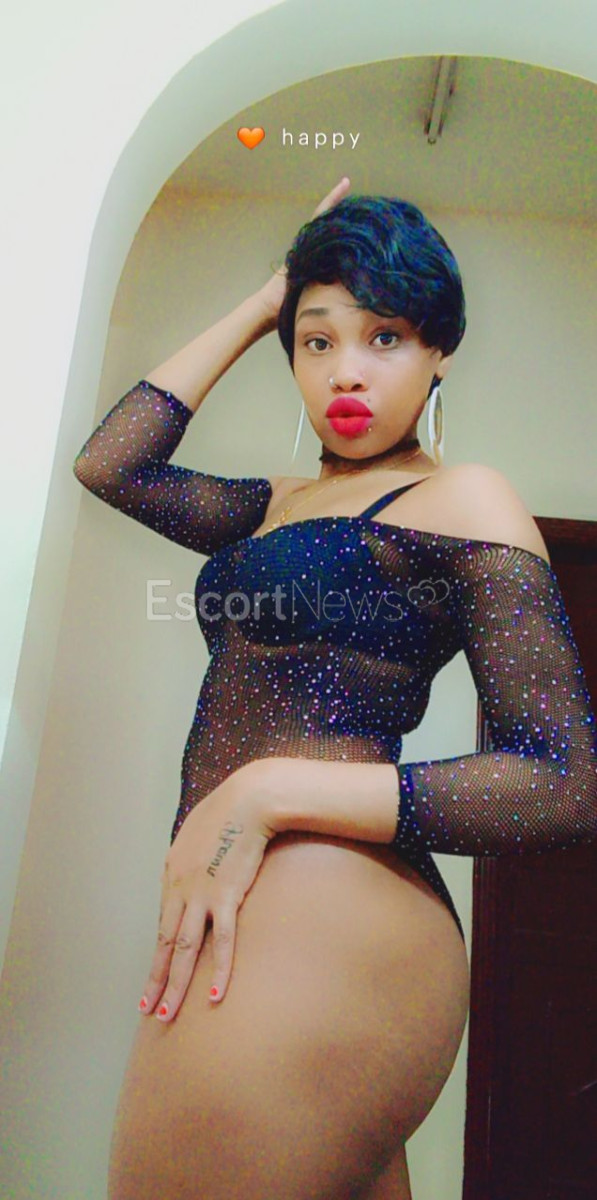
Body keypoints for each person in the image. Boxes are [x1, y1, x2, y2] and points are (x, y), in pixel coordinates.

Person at [72, 178, 597, 1200]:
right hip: (253, 910)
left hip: (331, 914)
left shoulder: (464, 497)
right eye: (317, 342)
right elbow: (110, 465)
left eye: (384, 336)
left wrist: (269, 789)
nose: (345, 369)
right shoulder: (275, 504)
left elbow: (561, 784)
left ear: (441, 349)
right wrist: (266, 301)